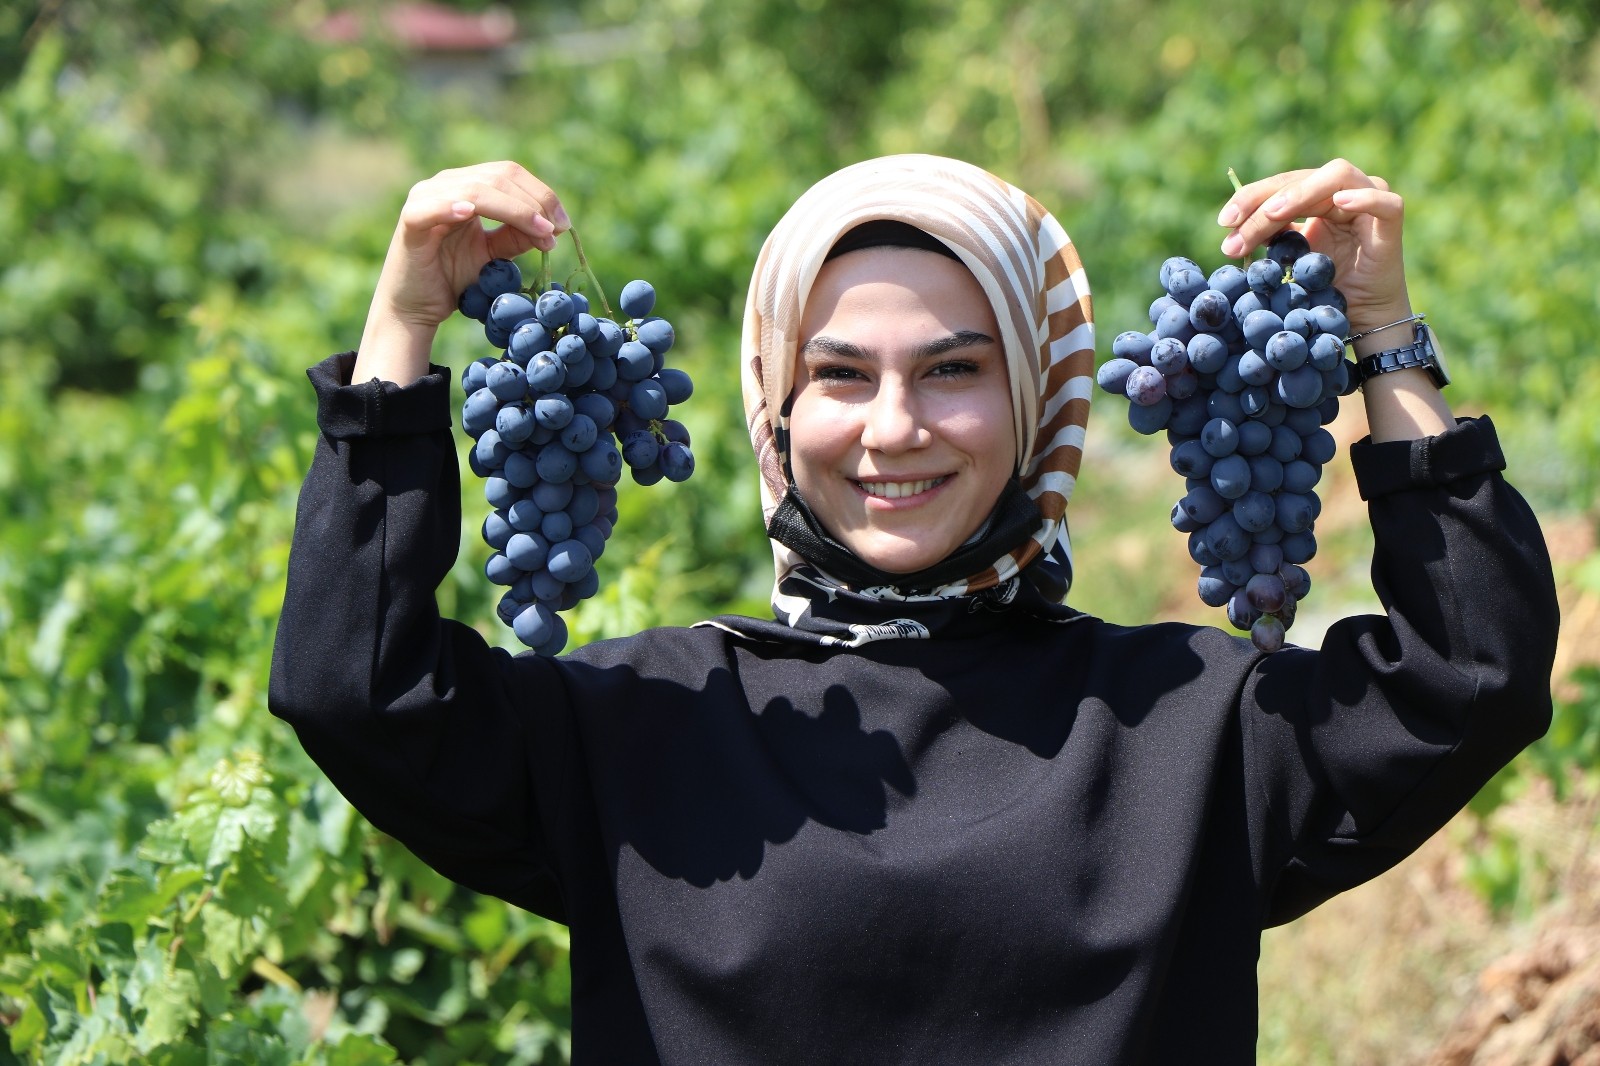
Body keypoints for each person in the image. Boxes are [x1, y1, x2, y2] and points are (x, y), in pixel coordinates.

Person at [269, 155, 1560, 1063]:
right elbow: (355, 685)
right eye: (840, 373)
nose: (894, 428)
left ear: (1042, 398)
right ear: (776, 404)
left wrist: (1381, 333)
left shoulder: (1189, 730)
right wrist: (403, 329)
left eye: (954, 369)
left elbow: (1474, 671)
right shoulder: (640, 729)